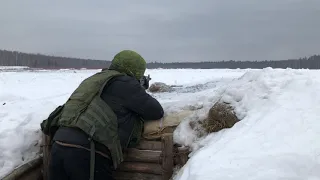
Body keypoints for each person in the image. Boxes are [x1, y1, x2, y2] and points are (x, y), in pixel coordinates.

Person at [43, 50, 164, 180]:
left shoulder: (96, 79)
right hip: (89, 150)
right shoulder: (125, 83)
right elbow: (156, 111)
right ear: (135, 71)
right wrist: (139, 88)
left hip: (59, 143)